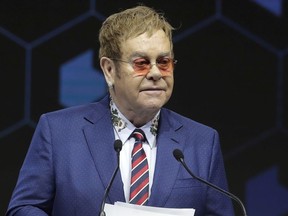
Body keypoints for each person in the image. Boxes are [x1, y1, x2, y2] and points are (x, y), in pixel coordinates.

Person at [6, 5, 235, 216]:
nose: (155, 73)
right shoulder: (58, 131)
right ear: (109, 69)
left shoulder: (203, 141)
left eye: (164, 62)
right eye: (141, 63)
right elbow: (23, 209)